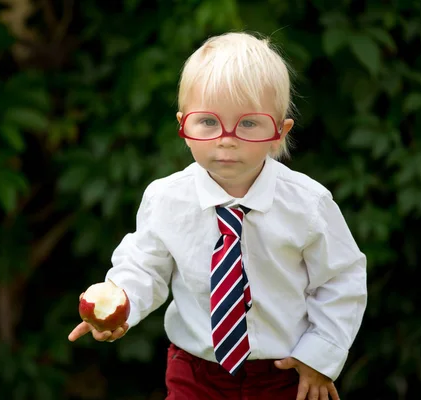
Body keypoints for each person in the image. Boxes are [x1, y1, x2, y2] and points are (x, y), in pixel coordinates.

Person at [68, 31, 367, 400]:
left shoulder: (307, 203)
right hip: (195, 370)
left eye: (248, 123)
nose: (227, 139)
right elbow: (145, 267)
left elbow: (341, 278)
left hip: (283, 371)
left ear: (279, 131)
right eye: (208, 122)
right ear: (184, 127)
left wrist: (320, 354)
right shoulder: (166, 199)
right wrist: (121, 301)